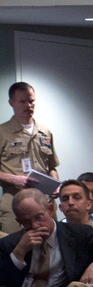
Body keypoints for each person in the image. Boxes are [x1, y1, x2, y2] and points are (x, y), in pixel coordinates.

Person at [0, 82, 59, 234]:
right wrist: (14, 179)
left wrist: (55, 184)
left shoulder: (45, 132)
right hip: (14, 198)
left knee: (50, 240)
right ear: (11, 103)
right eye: (23, 101)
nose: (28, 106)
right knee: (12, 242)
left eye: (31, 101)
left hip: (43, 200)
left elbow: (52, 167)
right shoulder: (2, 132)